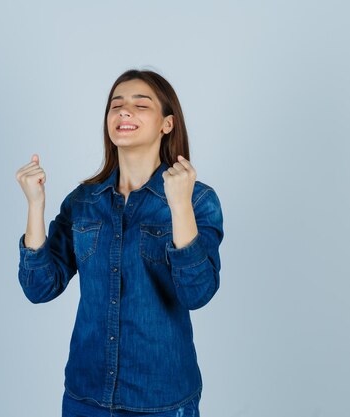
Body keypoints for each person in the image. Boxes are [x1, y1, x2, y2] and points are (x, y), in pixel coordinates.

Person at [15, 69, 224, 416]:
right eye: (117, 105)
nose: (124, 112)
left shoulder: (198, 201)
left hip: (161, 401)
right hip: (86, 397)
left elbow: (197, 293)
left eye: (141, 105)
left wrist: (179, 205)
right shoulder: (83, 201)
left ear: (166, 124)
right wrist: (35, 207)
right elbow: (39, 287)